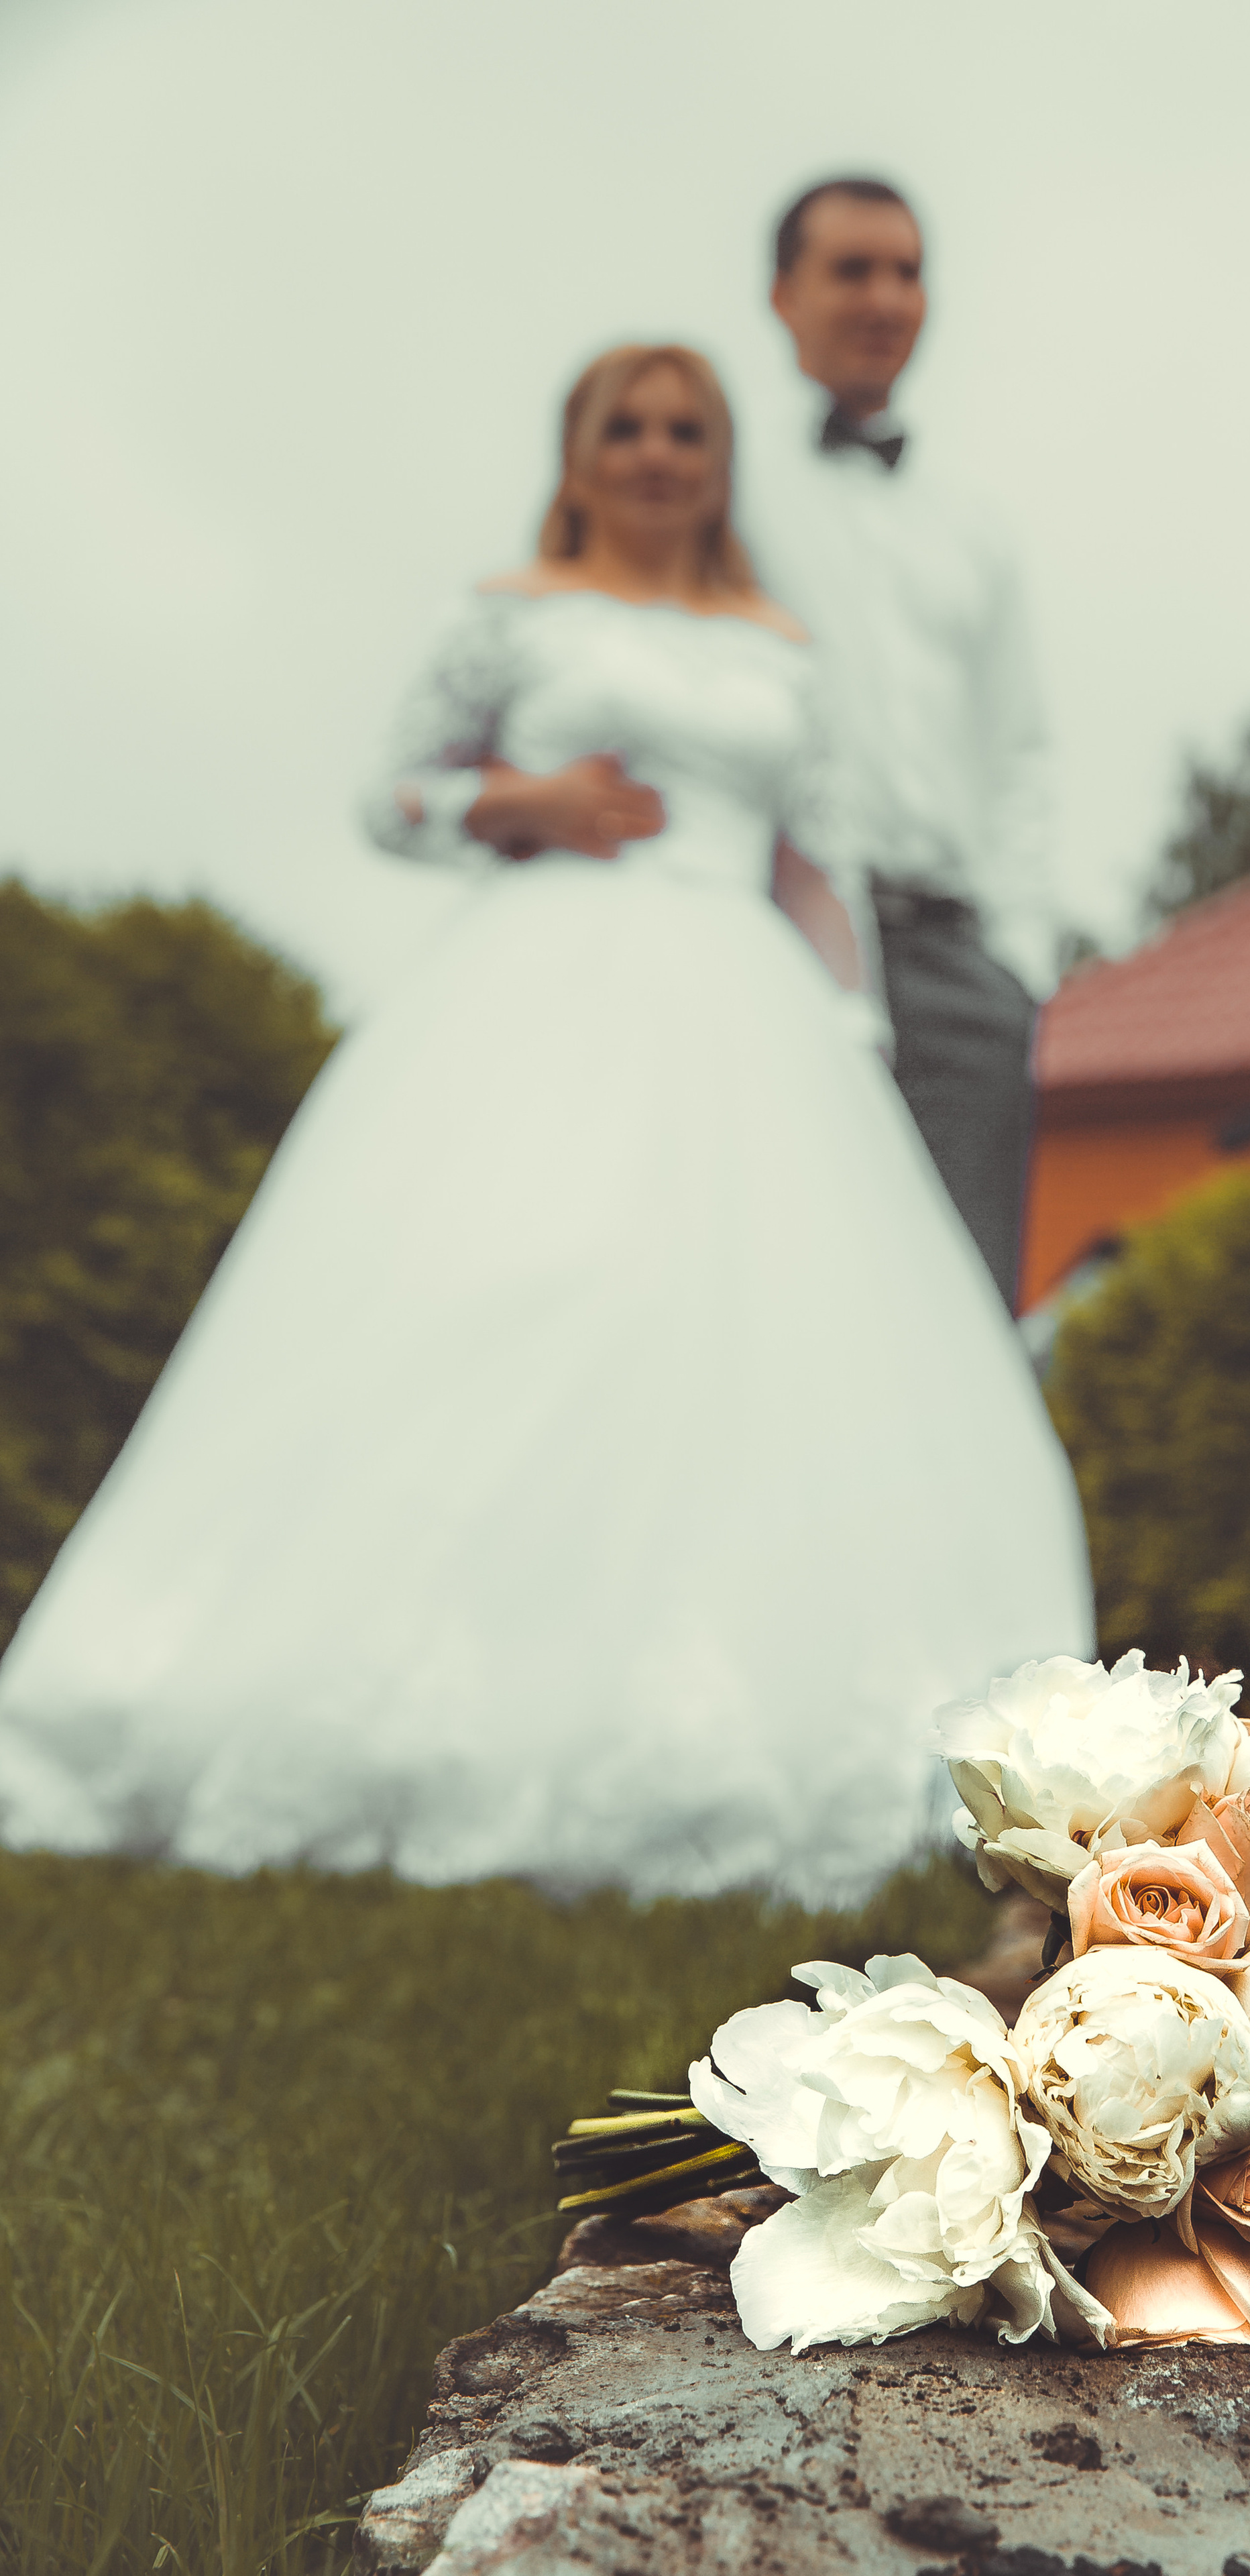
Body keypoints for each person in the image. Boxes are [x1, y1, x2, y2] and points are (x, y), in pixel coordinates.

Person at [0, 343, 1092, 1897]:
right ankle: (407, 1691)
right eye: (625, 429)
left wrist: (850, 1031)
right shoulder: (512, 615)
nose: (657, 455)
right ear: (577, 454)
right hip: (537, 984)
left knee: (747, 1347)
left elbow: (814, 866)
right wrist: (521, 809)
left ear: (722, 462)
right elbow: (393, 797)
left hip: (749, 1015)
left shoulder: (783, 646)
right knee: (511, 1292)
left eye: (687, 432)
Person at [740, 176, 1059, 1310]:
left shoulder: (976, 527)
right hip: (773, 950)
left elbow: (1020, 751)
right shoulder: (722, 493)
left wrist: (1018, 964)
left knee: (962, 1309)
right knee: (784, 1277)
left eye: (908, 271)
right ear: (783, 295)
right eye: (852, 270)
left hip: (957, 970)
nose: (885, 297)